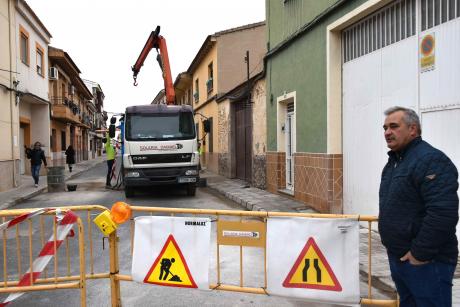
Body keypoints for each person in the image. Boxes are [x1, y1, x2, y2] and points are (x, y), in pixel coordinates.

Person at [379, 106, 458, 306]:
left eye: (394, 126)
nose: (387, 132)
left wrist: (419, 254)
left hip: (427, 263)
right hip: (399, 258)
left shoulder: (431, 160)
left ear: (413, 129)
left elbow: (442, 214)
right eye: (385, 127)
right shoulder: (395, 162)